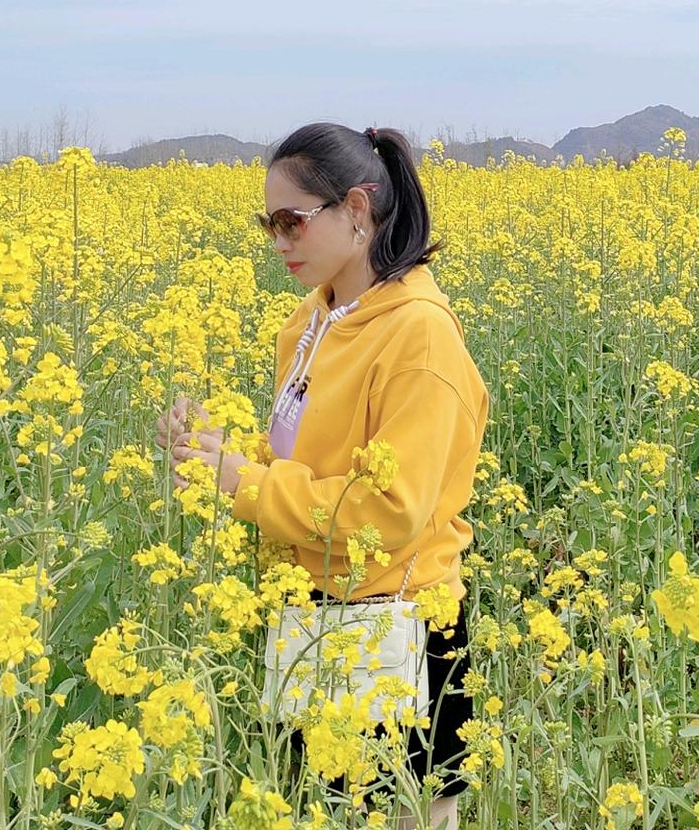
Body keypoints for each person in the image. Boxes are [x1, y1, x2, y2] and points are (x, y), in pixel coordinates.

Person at [156, 123, 490, 830]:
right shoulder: (317, 319)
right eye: (267, 223)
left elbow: (388, 514)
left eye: (291, 222)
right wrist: (215, 452)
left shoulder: (420, 336)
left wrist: (240, 482)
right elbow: (306, 464)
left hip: (399, 625)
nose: (277, 241)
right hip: (316, 614)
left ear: (358, 211)